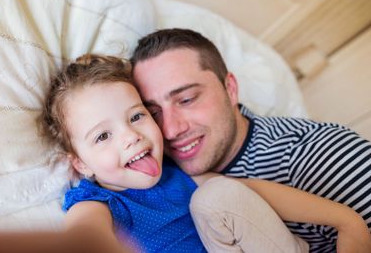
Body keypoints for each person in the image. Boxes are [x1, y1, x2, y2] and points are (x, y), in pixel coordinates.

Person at [130, 28, 371, 252]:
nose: (170, 130)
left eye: (187, 99)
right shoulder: (152, 175)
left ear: (231, 89)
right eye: (153, 113)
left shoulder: (316, 154)